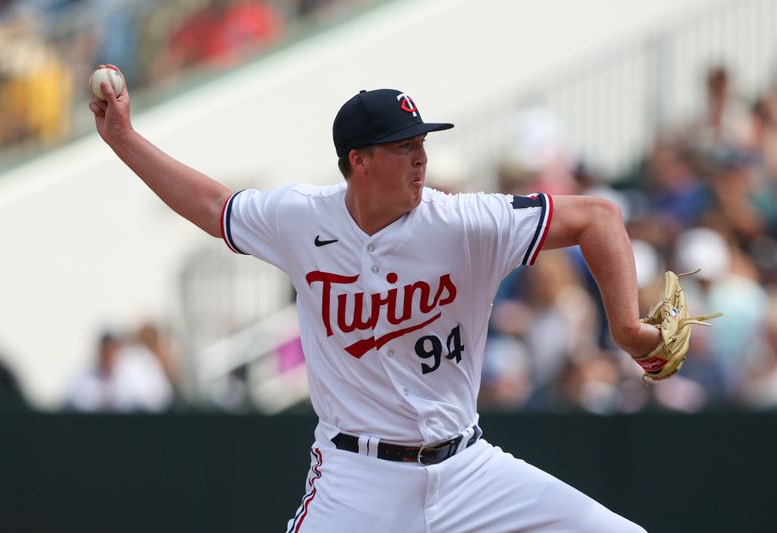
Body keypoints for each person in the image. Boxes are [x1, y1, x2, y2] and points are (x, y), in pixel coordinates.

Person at [90, 65, 658, 532]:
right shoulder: (300, 217)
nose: (421, 157)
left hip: (468, 472)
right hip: (357, 481)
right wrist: (124, 138)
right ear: (358, 160)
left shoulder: (462, 222)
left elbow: (599, 218)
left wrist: (627, 328)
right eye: (403, 145)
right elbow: (215, 207)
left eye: (422, 143)